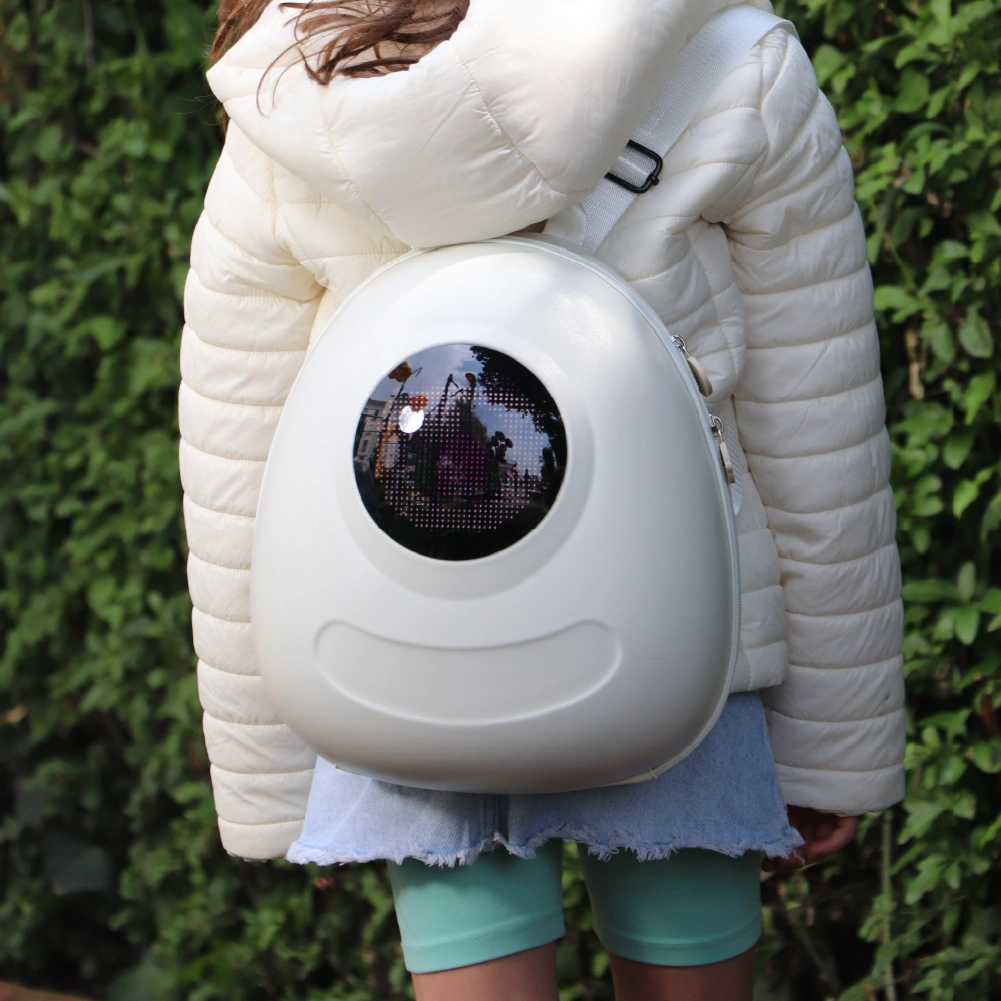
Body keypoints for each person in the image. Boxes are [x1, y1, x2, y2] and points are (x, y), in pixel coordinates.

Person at [181, 1, 906, 998]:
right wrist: (828, 749)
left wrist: (274, 780)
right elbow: (816, 439)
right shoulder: (732, 65)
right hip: (672, 644)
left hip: (397, 655)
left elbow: (240, 472)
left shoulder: (296, 87)